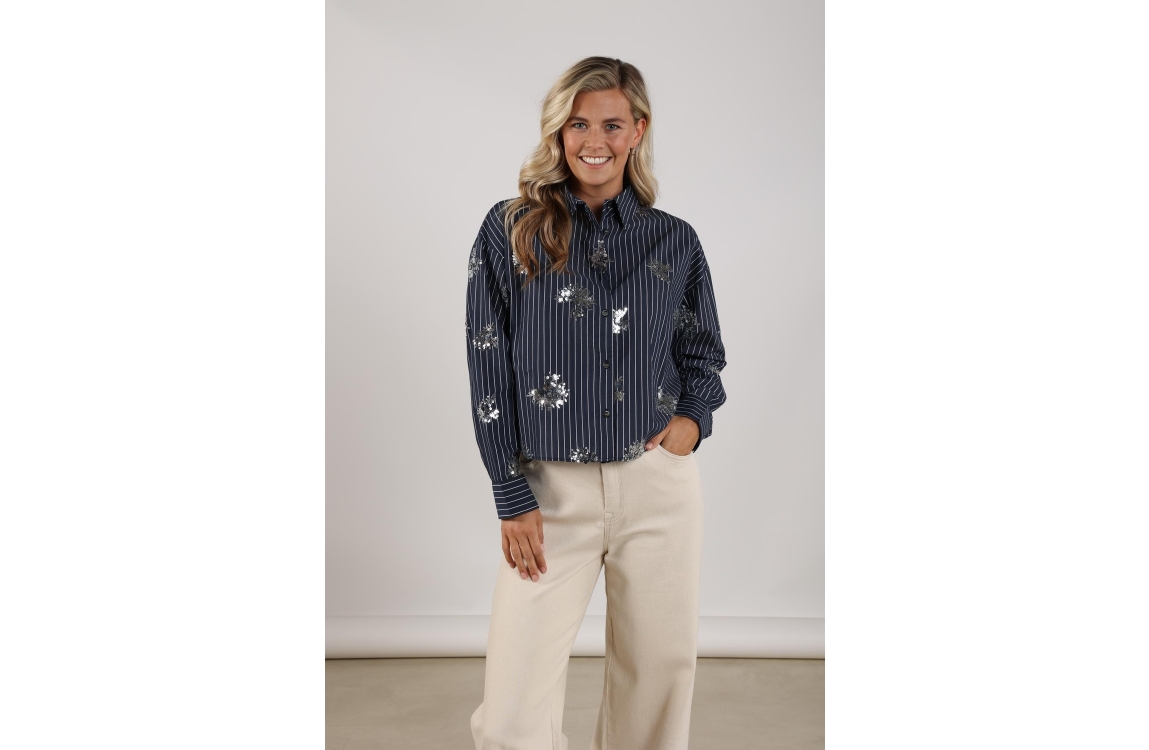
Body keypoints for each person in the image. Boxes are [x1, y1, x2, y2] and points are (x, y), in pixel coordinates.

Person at [465, 56, 727, 750]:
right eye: (578, 123)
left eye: (611, 124)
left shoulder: (674, 239)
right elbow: (488, 365)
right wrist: (510, 492)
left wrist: (689, 424)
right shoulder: (510, 228)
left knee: (656, 683)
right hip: (550, 492)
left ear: (637, 130)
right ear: (558, 131)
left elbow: (702, 351)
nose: (594, 140)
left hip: (657, 486)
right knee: (512, 716)